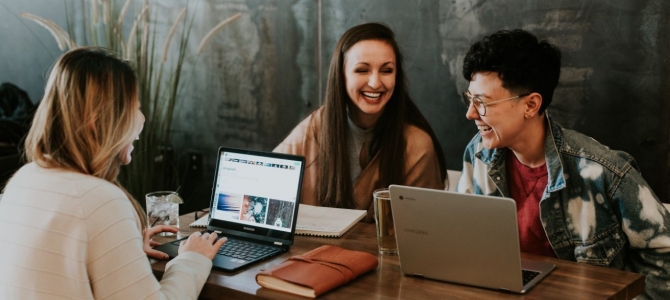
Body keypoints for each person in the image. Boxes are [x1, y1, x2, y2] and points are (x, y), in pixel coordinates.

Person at [456, 29, 670, 299]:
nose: (470, 113)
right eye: (469, 99)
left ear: (531, 105)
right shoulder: (477, 154)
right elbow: (463, 242)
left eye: (482, 103)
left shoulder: (603, 171)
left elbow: (665, 257)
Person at [0, 47, 227, 298]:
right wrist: (192, 259)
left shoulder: (22, 180)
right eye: (134, 108)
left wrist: (122, 247)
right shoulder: (100, 200)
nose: (141, 118)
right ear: (97, 122)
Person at [274, 22, 446, 222]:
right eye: (362, 70)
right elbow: (265, 183)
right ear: (341, 75)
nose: (375, 83)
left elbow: (423, 231)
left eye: (386, 70)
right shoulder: (315, 127)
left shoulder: (417, 145)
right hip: (311, 252)